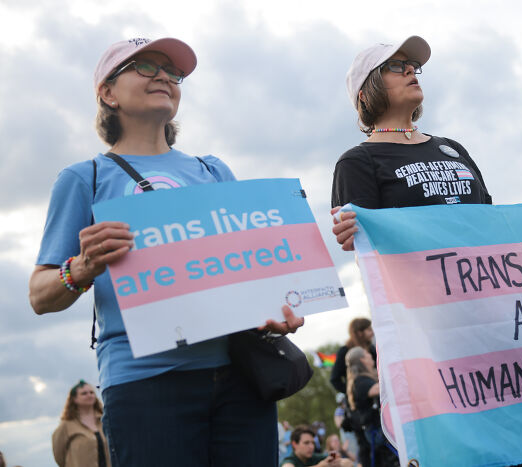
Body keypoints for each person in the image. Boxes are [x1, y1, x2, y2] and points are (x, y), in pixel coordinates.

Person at [330, 36, 522, 467]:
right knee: (496, 444)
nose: (412, 70)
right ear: (366, 90)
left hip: (509, 316)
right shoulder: (357, 162)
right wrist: (358, 233)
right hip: (449, 338)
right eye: (397, 66)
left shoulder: (452, 148)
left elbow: (487, 231)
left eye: (414, 64)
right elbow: (372, 258)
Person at [29, 37, 303, 466]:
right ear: (107, 92)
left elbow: (249, 270)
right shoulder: (85, 178)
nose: (163, 76)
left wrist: (277, 305)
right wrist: (82, 267)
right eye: (144, 66)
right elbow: (39, 295)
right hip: (144, 383)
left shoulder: (213, 171)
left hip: (240, 379)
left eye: (172, 71)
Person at [329, 318, 376, 466]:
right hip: (359, 408)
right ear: (359, 332)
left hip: (375, 403)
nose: (372, 332)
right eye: (368, 329)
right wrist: (353, 394)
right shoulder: (345, 351)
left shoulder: (372, 349)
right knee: (365, 444)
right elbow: (335, 379)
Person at [346, 347, 398, 467]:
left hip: (378, 431)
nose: (370, 356)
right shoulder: (360, 381)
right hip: (377, 431)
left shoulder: (365, 378)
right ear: (363, 360)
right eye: (367, 354)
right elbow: (377, 390)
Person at [52, 380, 110, 467]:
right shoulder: (66, 426)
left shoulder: (105, 419)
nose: (89, 395)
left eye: (91, 392)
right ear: (74, 399)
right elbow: (59, 457)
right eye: (84, 393)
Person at [280, 426, 354, 467]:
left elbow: (348, 463)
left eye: (313, 443)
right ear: (294, 444)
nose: (311, 446)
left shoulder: (315, 457)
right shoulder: (289, 460)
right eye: (306, 443)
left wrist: (340, 463)